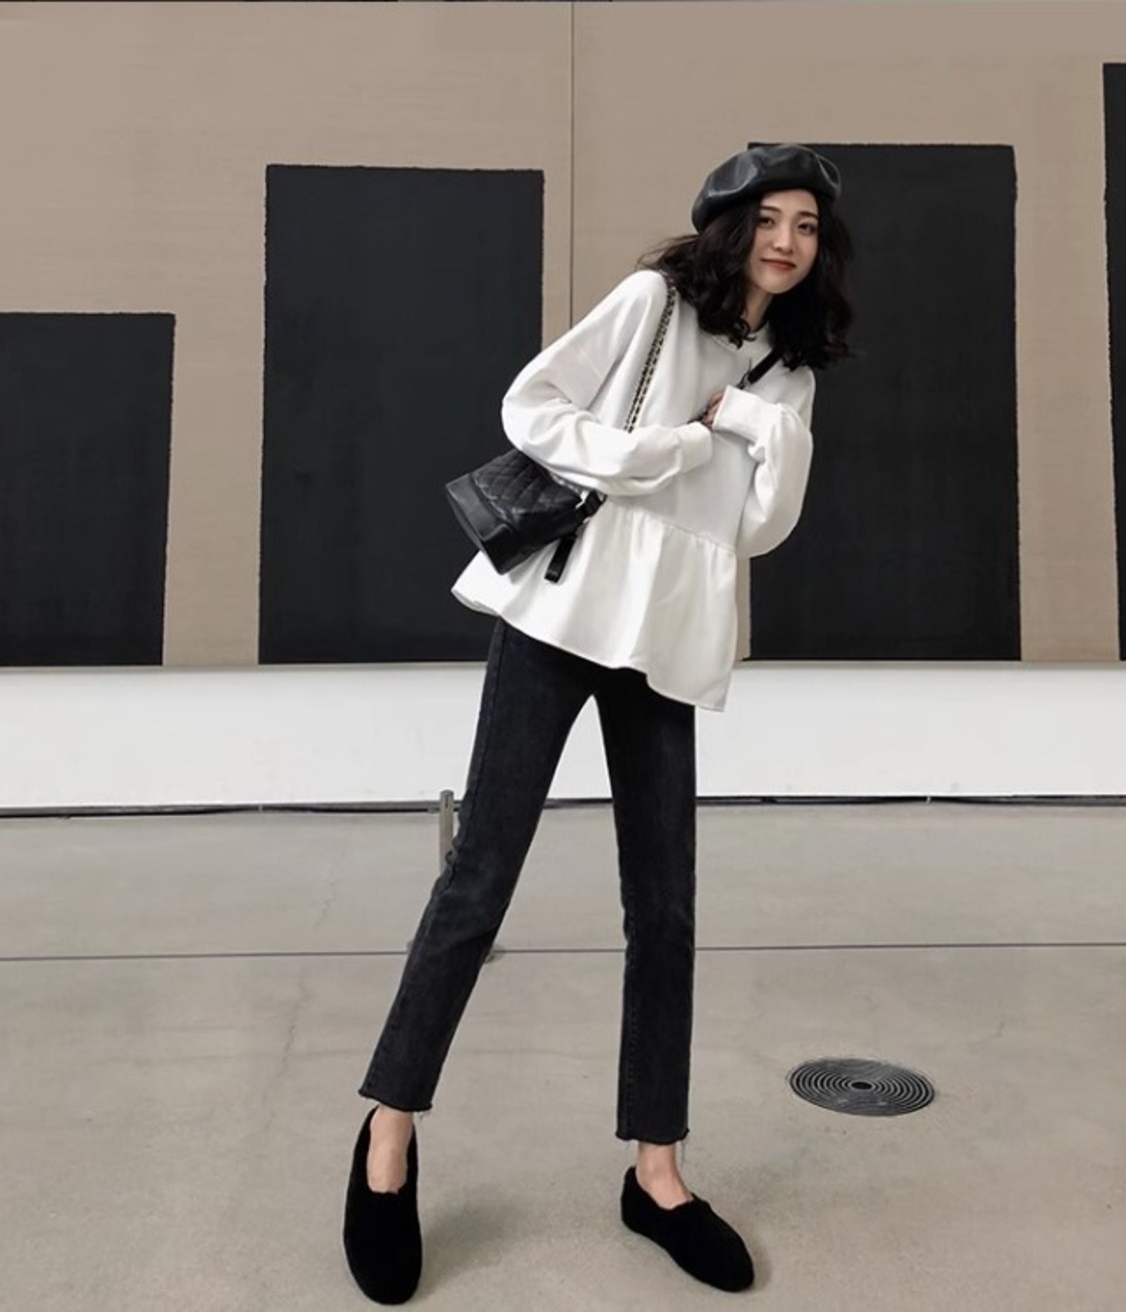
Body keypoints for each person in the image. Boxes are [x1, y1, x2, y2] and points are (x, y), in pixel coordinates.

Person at [342, 143, 855, 1303]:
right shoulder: (651, 303)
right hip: (564, 611)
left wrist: (753, 420)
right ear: (730, 220)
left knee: (664, 907)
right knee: (478, 879)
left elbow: (762, 524)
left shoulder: (790, 367)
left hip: (666, 633)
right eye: (769, 217)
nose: (786, 241)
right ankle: (387, 1132)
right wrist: (656, 449)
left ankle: (655, 1172)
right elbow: (530, 405)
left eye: (806, 225)